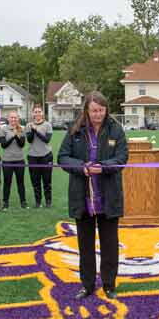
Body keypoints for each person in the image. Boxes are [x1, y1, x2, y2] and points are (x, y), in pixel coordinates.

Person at [57, 92, 129, 299]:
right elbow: (62, 157)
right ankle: (87, 285)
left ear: (106, 110)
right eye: (94, 110)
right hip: (83, 197)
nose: (98, 114)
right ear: (87, 111)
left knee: (109, 243)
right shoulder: (75, 130)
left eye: (101, 110)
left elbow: (122, 158)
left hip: (109, 196)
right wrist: (82, 168)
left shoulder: (116, 129)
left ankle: (109, 284)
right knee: (85, 244)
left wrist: (103, 167)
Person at [26, 107, 53, 208]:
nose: (37, 114)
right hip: (33, 157)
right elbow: (29, 140)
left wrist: (36, 131)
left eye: (39, 112)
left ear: (42, 113)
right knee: (35, 181)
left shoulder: (47, 125)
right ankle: (38, 202)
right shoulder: (29, 125)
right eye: (35, 112)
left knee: (47, 181)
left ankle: (48, 201)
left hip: (46, 156)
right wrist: (33, 131)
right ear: (33, 113)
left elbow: (46, 140)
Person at [1, 111, 28, 209]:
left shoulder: (21, 129)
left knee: (20, 182)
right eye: (11, 118)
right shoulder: (4, 129)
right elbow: (3, 145)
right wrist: (13, 136)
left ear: (18, 119)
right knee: (7, 182)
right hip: (7, 160)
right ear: (8, 119)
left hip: (19, 159)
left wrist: (17, 135)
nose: (13, 120)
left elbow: (22, 144)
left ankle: (23, 202)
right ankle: (5, 202)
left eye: (15, 118)